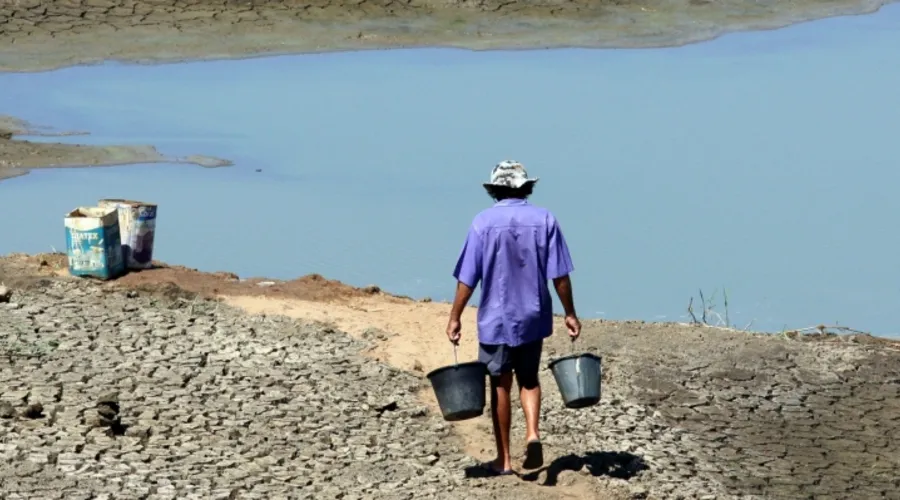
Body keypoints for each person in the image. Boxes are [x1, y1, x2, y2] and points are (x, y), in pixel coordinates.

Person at [446, 160, 582, 476]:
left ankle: (504, 460)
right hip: (533, 314)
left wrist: (455, 316)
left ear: (494, 189)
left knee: (500, 384)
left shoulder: (482, 223)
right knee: (530, 378)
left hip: (495, 318)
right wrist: (570, 313)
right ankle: (533, 433)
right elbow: (559, 276)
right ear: (525, 187)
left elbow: (468, 277)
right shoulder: (545, 219)